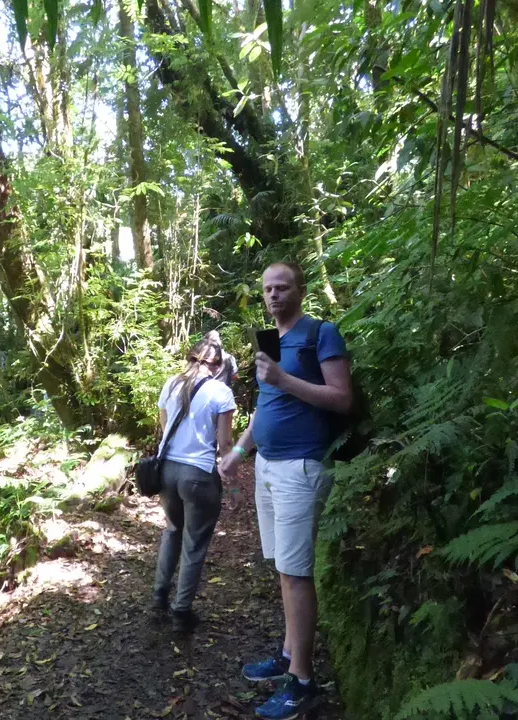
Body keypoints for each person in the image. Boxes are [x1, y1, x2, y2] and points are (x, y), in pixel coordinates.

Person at [219, 262, 353, 720]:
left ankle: (303, 681)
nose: (274, 295)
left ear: (300, 290)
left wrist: (284, 379)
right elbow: (265, 405)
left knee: (297, 573)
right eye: (267, 289)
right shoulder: (269, 339)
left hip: (302, 465)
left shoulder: (321, 333)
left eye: (282, 287)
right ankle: (288, 654)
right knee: (283, 567)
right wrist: (239, 452)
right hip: (267, 466)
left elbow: (342, 398)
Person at [152, 337, 236, 632]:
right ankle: (181, 612)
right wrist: (232, 480)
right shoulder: (221, 392)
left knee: (173, 530)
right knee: (195, 543)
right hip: (198, 473)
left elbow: (165, 427)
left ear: (190, 358)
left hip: (166, 471)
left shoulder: (171, 384)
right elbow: (225, 443)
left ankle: (159, 596)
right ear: (218, 365)